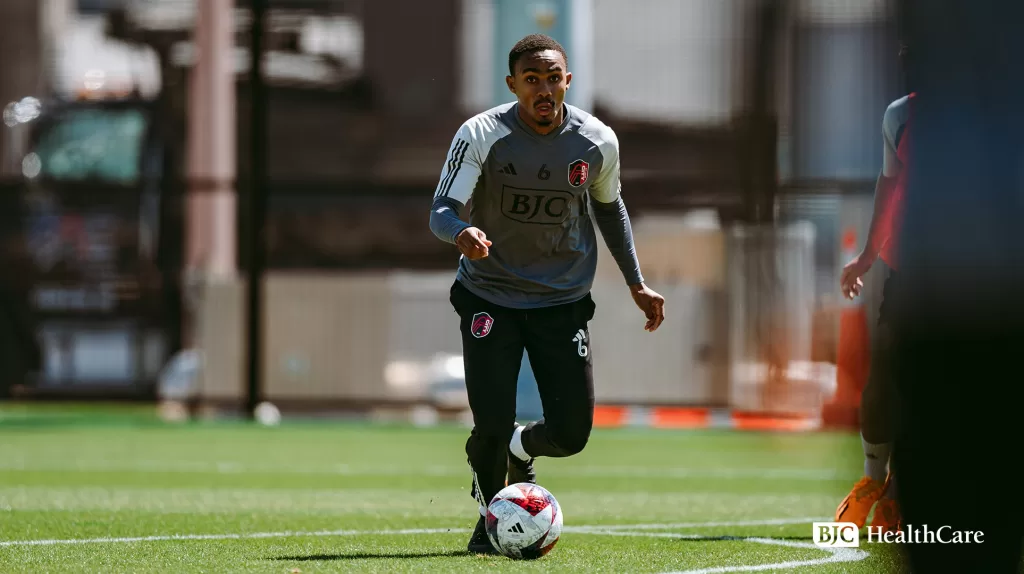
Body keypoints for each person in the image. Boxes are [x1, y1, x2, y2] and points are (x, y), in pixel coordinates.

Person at [428, 33, 665, 554]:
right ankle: (492, 522)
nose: (543, 89)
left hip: (560, 301)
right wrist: (461, 233)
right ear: (512, 84)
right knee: (488, 423)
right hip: (490, 296)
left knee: (572, 433)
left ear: (567, 82)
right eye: (531, 79)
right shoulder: (481, 134)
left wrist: (636, 282)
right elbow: (442, 211)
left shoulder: (596, 141)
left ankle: (521, 445)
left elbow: (610, 208)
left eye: (552, 78)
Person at [835, 45, 913, 533]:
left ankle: (902, 496)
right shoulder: (900, 115)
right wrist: (867, 255)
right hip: (908, 271)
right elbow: (890, 185)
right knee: (883, 378)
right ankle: (871, 482)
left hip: (974, 276)